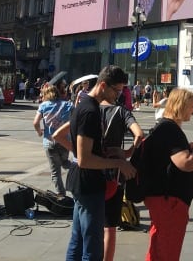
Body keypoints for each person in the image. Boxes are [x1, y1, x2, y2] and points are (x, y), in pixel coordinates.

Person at [55, 65, 136, 261]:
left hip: (81, 182)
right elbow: (85, 160)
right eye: (116, 90)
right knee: (92, 245)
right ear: (102, 85)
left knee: (78, 240)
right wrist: (119, 164)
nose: (119, 96)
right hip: (88, 184)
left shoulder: (83, 105)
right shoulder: (90, 111)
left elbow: (69, 143)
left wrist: (106, 153)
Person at [142, 88, 193, 261]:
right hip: (170, 201)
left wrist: (188, 149)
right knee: (168, 250)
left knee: (158, 246)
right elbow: (186, 163)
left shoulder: (164, 126)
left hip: (161, 198)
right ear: (181, 106)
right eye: (191, 106)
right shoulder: (170, 129)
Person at [99, 90, 143, 261]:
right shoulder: (121, 111)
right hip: (113, 175)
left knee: (87, 225)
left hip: (91, 171)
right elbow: (139, 134)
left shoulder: (88, 108)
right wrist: (127, 153)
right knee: (109, 227)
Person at [33, 84, 74, 197]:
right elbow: (77, 118)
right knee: (64, 162)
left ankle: (61, 195)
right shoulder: (67, 104)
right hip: (64, 141)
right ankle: (76, 169)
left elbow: (35, 122)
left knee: (55, 171)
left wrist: (39, 132)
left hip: (49, 141)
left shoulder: (43, 106)